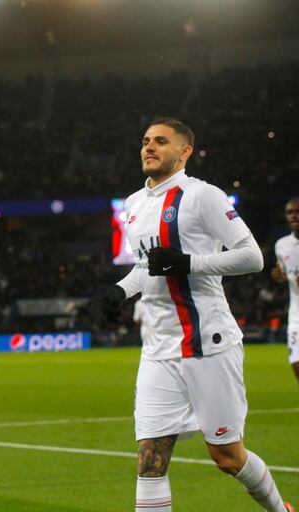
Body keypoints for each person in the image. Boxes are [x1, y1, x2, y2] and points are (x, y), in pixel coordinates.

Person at [97, 117, 294, 512]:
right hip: (157, 349)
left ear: (185, 152)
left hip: (208, 344)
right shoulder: (134, 205)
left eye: (161, 141)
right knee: (150, 460)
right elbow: (146, 265)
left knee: (227, 456)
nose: (149, 147)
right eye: (146, 140)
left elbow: (252, 256)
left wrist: (188, 263)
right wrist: (120, 290)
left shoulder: (203, 196)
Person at [272, 197, 299, 386]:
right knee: (296, 365)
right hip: (297, 316)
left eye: (297, 211)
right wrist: (280, 277)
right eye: (290, 212)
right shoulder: (281, 245)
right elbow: (285, 273)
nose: (294, 216)